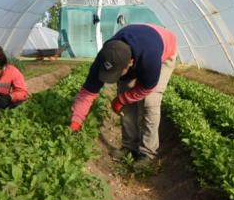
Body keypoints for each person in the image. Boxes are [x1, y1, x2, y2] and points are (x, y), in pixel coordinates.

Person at [69, 23, 177, 167]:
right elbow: (87, 93)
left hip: (164, 49)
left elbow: (146, 88)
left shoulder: (150, 57)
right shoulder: (105, 56)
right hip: (138, 42)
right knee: (125, 90)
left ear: (130, 63)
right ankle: (129, 147)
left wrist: (122, 99)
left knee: (150, 102)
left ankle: (147, 153)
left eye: (116, 73)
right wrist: (76, 121)